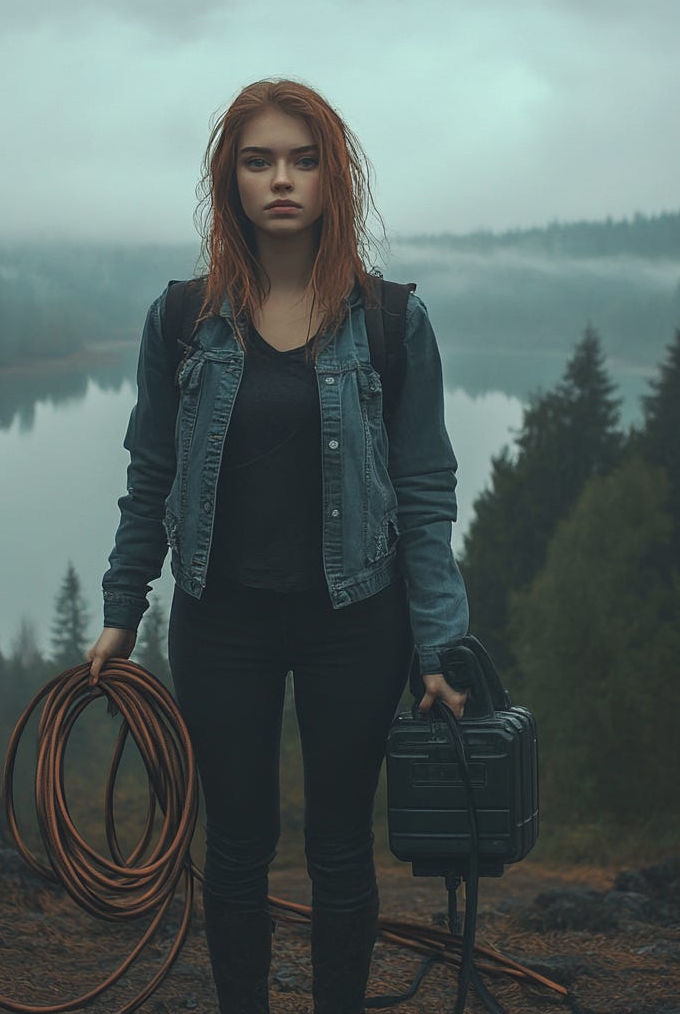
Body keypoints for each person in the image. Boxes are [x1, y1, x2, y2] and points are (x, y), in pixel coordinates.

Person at [87, 78, 470, 1014]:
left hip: (357, 618)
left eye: (302, 160)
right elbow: (150, 474)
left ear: (333, 179)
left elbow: (424, 494)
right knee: (237, 845)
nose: (281, 180)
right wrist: (121, 611)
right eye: (258, 161)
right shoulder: (183, 319)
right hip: (221, 619)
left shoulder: (391, 320)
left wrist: (441, 645)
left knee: (341, 845)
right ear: (231, 181)